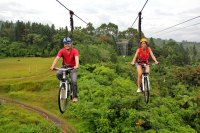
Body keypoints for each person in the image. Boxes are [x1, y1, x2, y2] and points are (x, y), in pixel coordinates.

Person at [50, 37, 79, 102]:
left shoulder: (74, 50)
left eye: (68, 43)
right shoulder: (61, 51)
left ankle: (74, 97)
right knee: (58, 74)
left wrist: (76, 66)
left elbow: (76, 58)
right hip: (65, 66)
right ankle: (64, 85)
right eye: (65, 43)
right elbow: (57, 58)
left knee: (74, 81)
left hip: (73, 67)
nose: (67, 45)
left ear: (71, 43)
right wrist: (52, 66)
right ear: (64, 44)